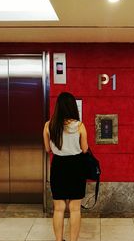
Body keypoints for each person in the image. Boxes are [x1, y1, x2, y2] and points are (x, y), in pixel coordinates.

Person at [43, 92, 88, 241]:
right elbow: (85, 149)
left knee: (59, 208)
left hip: (58, 166)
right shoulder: (80, 126)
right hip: (76, 167)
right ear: (73, 107)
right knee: (75, 209)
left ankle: (58, 240)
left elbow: (48, 149)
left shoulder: (48, 125)